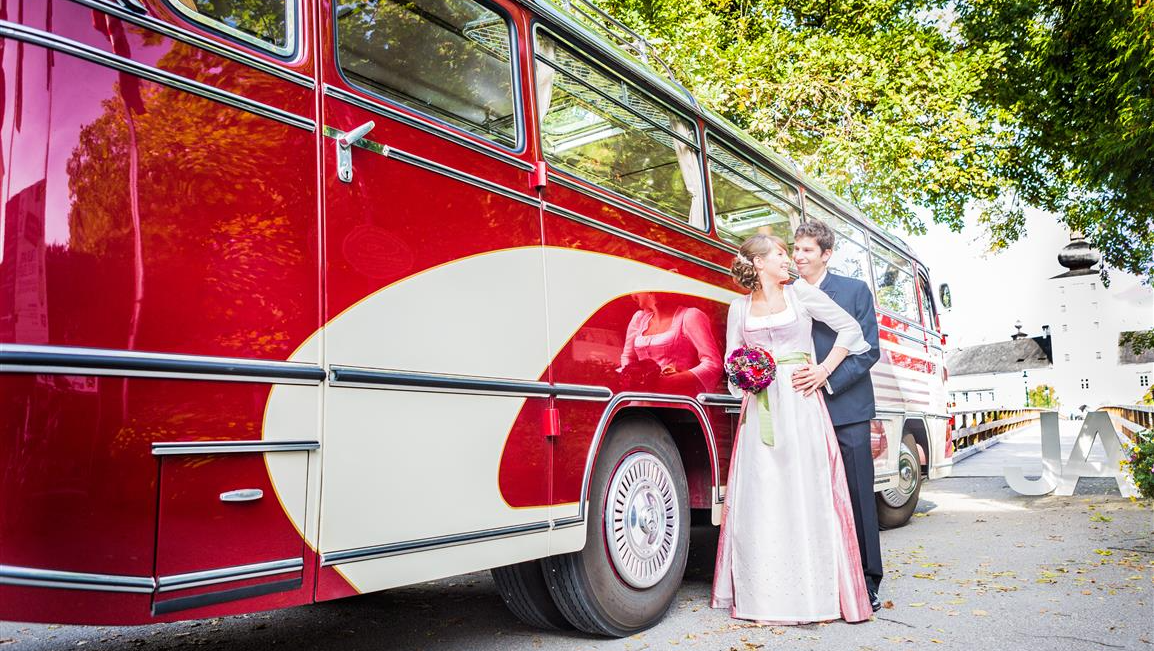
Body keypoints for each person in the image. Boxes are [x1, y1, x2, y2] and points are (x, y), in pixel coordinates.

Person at [711, 234, 872, 624]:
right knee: (764, 492)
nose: (790, 260)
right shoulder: (738, 308)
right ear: (759, 263)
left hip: (801, 403)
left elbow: (851, 330)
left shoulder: (801, 294)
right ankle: (765, 593)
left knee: (805, 488)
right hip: (761, 408)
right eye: (782, 254)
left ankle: (815, 590)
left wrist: (823, 370)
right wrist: (744, 378)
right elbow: (731, 359)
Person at [790, 220, 884, 612]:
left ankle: (867, 580)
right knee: (812, 497)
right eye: (796, 249)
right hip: (800, 410)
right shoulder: (787, 292)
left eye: (807, 250)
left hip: (847, 408)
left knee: (859, 495)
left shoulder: (854, 290)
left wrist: (826, 378)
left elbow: (869, 349)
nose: (798, 256)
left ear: (826, 254)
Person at [619, 293, 723, 394]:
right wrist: (632, 379)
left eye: (636, 288)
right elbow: (628, 357)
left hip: (676, 398)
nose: (632, 295)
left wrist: (673, 380)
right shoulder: (639, 319)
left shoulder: (689, 316)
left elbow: (713, 364)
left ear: (651, 289)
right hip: (641, 398)